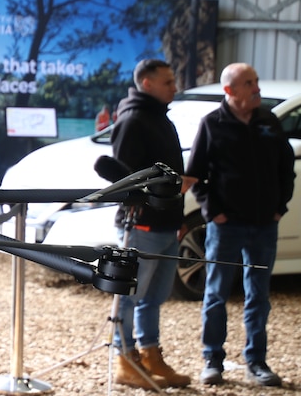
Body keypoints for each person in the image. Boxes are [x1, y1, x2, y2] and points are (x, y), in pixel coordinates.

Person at [183, 63, 295, 387]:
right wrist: (213, 211)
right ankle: (212, 360)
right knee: (216, 293)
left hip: (264, 225)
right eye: (249, 83)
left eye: (256, 81)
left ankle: (257, 362)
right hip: (225, 226)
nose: (256, 88)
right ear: (230, 91)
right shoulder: (212, 124)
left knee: (259, 296)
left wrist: (279, 208)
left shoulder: (269, 122)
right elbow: (194, 176)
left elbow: (286, 168)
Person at [109, 59, 190, 389]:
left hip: (167, 225)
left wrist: (177, 217)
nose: (175, 87)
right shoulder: (133, 120)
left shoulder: (160, 118)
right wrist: (141, 212)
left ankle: (151, 355)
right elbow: (124, 177)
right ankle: (125, 360)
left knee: (154, 298)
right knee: (129, 296)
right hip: (142, 226)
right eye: (168, 82)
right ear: (147, 83)